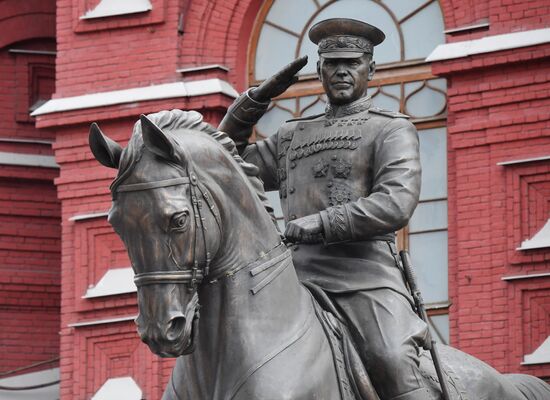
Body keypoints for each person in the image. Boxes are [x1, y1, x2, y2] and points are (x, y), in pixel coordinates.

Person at [219, 18, 432, 400]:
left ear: (371, 68)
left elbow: (396, 202)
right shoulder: (292, 135)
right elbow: (228, 163)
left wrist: (321, 222)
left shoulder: (390, 130)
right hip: (295, 277)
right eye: (333, 64)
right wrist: (252, 104)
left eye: (352, 62)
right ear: (319, 70)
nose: (342, 71)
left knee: (392, 360)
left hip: (364, 275)